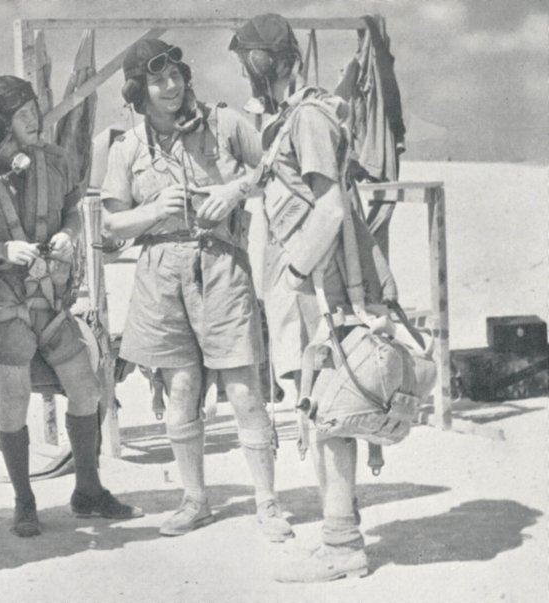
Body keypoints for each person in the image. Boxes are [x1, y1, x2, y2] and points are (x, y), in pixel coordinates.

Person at [99, 38, 293, 541]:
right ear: (139, 91)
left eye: (176, 77)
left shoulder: (224, 125)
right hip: (160, 272)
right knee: (179, 388)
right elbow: (111, 224)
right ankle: (196, 501)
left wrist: (235, 189)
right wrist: (154, 211)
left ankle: (268, 503)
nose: (171, 87)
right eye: (157, 81)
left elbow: (274, 159)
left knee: (245, 389)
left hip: (221, 265)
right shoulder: (126, 148)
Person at [0, 75, 143, 537]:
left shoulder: (56, 161)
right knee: (13, 402)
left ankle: (88, 492)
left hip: (52, 302)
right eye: (22, 115)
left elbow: (74, 211)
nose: (34, 121)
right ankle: (24, 501)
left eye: (35, 110)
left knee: (87, 390)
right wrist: (0, 250)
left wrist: (67, 233)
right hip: (2, 306)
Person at [228, 13, 371, 581]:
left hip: (317, 284)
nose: (246, 75)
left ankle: (342, 544)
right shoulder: (290, 118)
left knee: (330, 407)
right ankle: (341, 533)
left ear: (266, 64)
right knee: (318, 407)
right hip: (307, 283)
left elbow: (330, 207)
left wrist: (291, 274)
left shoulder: (308, 118)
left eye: (248, 64)